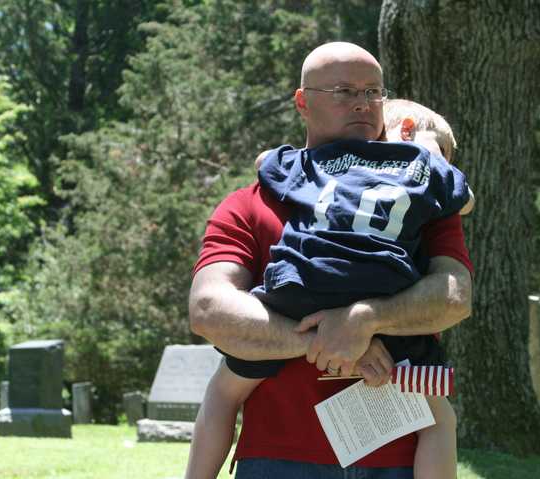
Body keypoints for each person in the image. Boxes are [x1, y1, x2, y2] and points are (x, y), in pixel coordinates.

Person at [188, 42, 473, 479]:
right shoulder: (249, 204)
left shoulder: (415, 205)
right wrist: (326, 341)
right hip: (276, 461)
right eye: (343, 91)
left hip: (396, 460)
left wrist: (367, 318)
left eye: (373, 92)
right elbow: (209, 309)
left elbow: (454, 296)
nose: (362, 103)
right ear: (303, 101)